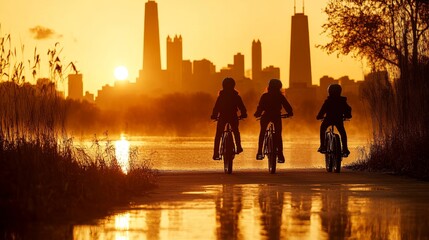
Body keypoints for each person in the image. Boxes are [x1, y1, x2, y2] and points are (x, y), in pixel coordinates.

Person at [254, 79, 293, 163]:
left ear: (269, 87)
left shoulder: (264, 96)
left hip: (266, 115)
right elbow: (288, 107)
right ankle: (280, 155)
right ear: (279, 88)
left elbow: (260, 107)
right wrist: (290, 113)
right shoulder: (280, 96)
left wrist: (257, 114)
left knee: (262, 132)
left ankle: (259, 152)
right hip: (276, 116)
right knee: (278, 135)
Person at [211, 77, 247, 160]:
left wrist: (214, 115)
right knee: (236, 131)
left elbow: (216, 108)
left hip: (223, 116)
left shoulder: (221, 97)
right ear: (233, 86)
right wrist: (244, 114)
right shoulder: (236, 96)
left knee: (218, 134)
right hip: (233, 116)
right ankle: (238, 147)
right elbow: (242, 107)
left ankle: (216, 153)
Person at [316, 83, 352, 157]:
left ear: (329, 92)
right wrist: (348, 115)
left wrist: (319, 116)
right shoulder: (342, 101)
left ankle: (322, 146)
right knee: (342, 132)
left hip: (328, 119)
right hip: (338, 119)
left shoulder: (328, 101)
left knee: (323, 128)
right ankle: (345, 148)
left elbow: (322, 111)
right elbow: (348, 109)